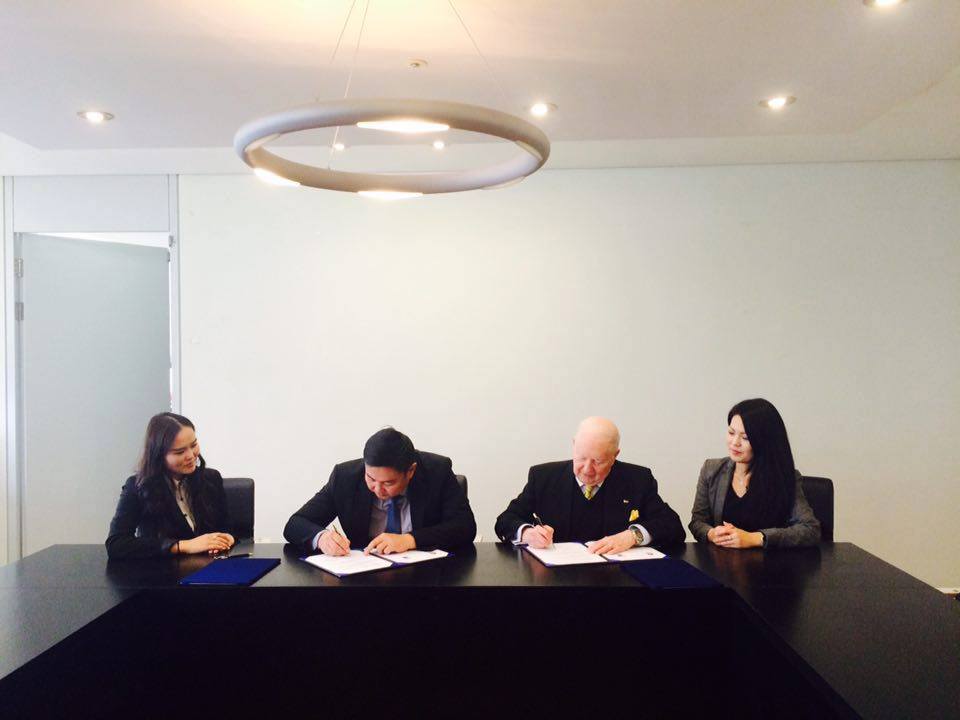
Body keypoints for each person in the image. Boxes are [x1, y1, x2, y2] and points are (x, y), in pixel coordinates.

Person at [495, 417, 685, 553]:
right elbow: (505, 520)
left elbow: (672, 526)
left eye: (598, 461)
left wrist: (632, 536)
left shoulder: (637, 479)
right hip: (556, 580)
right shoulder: (544, 477)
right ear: (573, 445)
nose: (587, 469)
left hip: (618, 580)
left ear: (615, 455)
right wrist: (527, 533)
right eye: (581, 458)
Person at [284, 427, 477, 555]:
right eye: (371, 478)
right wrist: (322, 538)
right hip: (364, 578)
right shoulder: (345, 478)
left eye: (388, 483)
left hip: (427, 578)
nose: (377, 489)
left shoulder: (437, 471)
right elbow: (295, 524)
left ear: (410, 471)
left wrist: (410, 540)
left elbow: (465, 527)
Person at [689, 398, 820, 548]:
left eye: (745, 437)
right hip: (722, 560)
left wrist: (755, 538)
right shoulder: (711, 470)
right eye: (731, 433)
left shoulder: (784, 476)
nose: (735, 442)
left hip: (770, 561)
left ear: (764, 441)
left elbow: (811, 530)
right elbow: (697, 522)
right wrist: (711, 534)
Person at [106, 413, 235, 559]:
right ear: (159, 455)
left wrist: (227, 538)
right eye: (180, 452)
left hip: (210, 568)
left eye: (194, 445)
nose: (191, 455)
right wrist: (182, 546)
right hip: (162, 570)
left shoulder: (211, 478)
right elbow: (116, 544)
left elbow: (227, 527)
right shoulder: (138, 486)